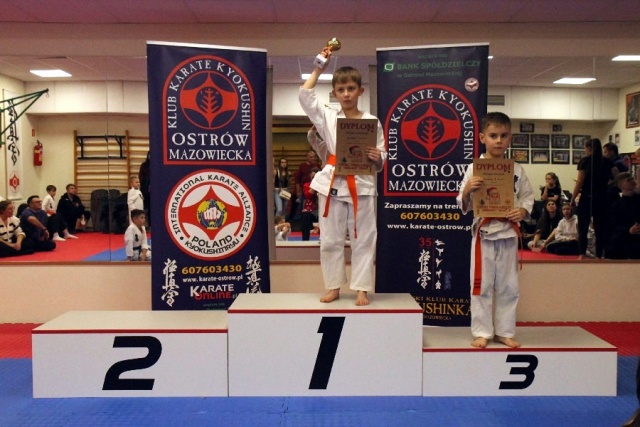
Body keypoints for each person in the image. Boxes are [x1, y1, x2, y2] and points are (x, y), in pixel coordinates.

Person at [299, 47, 386, 306]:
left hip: (362, 185)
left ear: (360, 91)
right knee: (330, 240)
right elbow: (305, 96)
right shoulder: (328, 116)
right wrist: (319, 69)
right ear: (335, 93)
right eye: (341, 89)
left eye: (351, 88)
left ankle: (361, 289)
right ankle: (333, 286)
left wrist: (377, 157)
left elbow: (381, 155)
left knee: (364, 239)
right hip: (333, 183)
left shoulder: (372, 121)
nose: (346, 93)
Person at [457, 112, 534, 349]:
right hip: (483, 234)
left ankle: (504, 331)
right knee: (481, 284)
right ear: (482, 138)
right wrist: (468, 190)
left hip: (508, 233)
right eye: (493, 136)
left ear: (510, 138)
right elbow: (461, 202)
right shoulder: (474, 169)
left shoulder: (517, 169)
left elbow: (527, 197)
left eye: (503, 135)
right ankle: (482, 332)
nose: (498, 140)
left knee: (509, 286)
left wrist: (522, 211)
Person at [570, 138, 614, 259]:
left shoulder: (585, 161)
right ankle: (599, 254)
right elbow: (615, 178)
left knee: (583, 227)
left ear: (589, 148)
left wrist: (573, 198)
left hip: (587, 197)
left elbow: (580, 182)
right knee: (600, 227)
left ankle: (582, 254)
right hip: (602, 197)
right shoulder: (607, 161)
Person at [605, 173, 640, 259]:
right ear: (621, 185)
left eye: (632, 179)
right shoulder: (617, 204)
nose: (632, 181)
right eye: (628, 180)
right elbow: (614, 225)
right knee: (615, 240)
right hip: (625, 235)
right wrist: (629, 229)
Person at [292, 150, 320, 221]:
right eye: (311, 157)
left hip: (316, 190)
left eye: (314, 157)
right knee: (304, 207)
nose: (313, 158)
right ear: (307, 157)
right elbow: (297, 180)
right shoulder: (302, 166)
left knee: (316, 207)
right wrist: (298, 191)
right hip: (305, 189)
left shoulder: (317, 166)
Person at [301, 167, 319, 241]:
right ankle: (305, 240)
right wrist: (315, 185)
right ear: (310, 176)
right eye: (313, 177)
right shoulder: (307, 185)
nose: (314, 178)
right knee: (306, 216)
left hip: (320, 208)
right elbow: (308, 195)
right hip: (310, 209)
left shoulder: (324, 185)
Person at [139, 151, 151, 225]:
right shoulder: (144, 165)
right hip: (146, 189)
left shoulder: (158, 165)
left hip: (155, 190)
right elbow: (141, 178)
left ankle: (151, 224)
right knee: (145, 207)